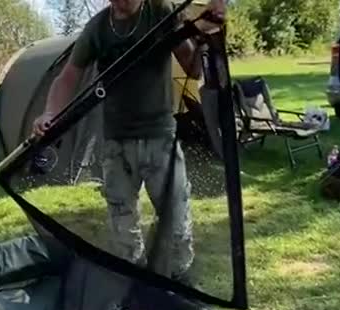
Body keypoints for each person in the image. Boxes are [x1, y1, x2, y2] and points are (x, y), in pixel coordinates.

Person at [32, 0, 226, 284]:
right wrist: (50, 112)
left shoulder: (162, 12)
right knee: (122, 226)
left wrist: (205, 34)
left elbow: (193, 69)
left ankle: (181, 286)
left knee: (176, 222)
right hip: (116, 143)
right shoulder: (98, 27)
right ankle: (131, 286)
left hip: (160, 138)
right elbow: (68, 76)